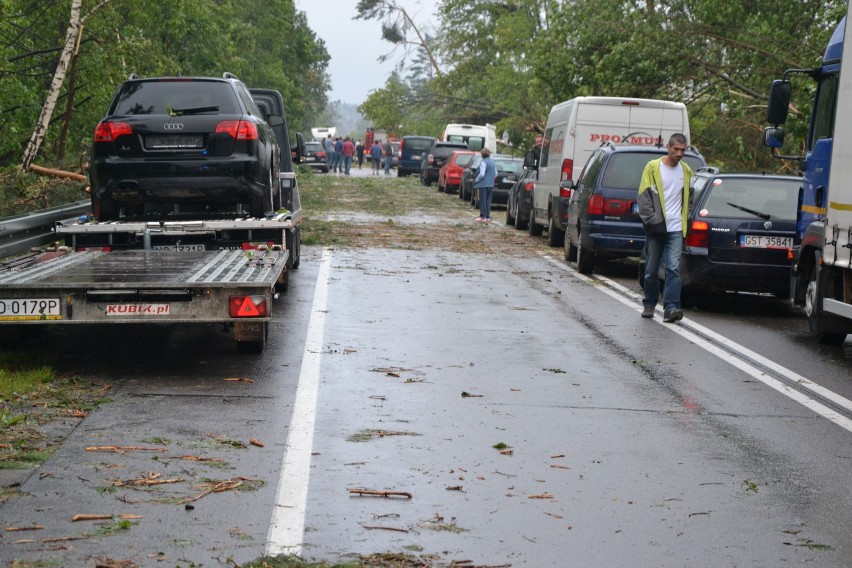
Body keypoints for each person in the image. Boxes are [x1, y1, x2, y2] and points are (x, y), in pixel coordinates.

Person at [638, 133, 693, 323]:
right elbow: (644, 198)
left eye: (683, 150)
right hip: (656, 228)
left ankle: (671, 308)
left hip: (676, 229)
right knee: (651, 270)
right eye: (676, 149)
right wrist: (653, 221)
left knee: (673, 268)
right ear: (668, 147)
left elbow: (689, 199)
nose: (679, 153)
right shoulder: (653, 168)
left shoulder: (686, 171)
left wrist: (688, 219)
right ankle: (650, 302)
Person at [473, 147, 497, 222]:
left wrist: (476, 180)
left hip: (482, 185)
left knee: (481, 200)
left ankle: (483, 216)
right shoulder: (493, 162)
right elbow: (496, 174)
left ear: (482, 154)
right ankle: (487, 216)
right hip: (490, 185)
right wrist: (490, 178)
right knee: (488, 201)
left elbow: (482, 174)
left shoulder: (483, 162)